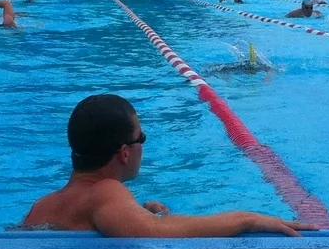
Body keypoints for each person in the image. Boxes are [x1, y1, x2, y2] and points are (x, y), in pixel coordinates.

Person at [22, 95, 309, 236]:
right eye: (141, 138)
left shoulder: (42, 205)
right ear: (124, 153)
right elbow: (160, 232)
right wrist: (247, 219)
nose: (143, 145)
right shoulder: (106, 192)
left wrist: (132, 213)